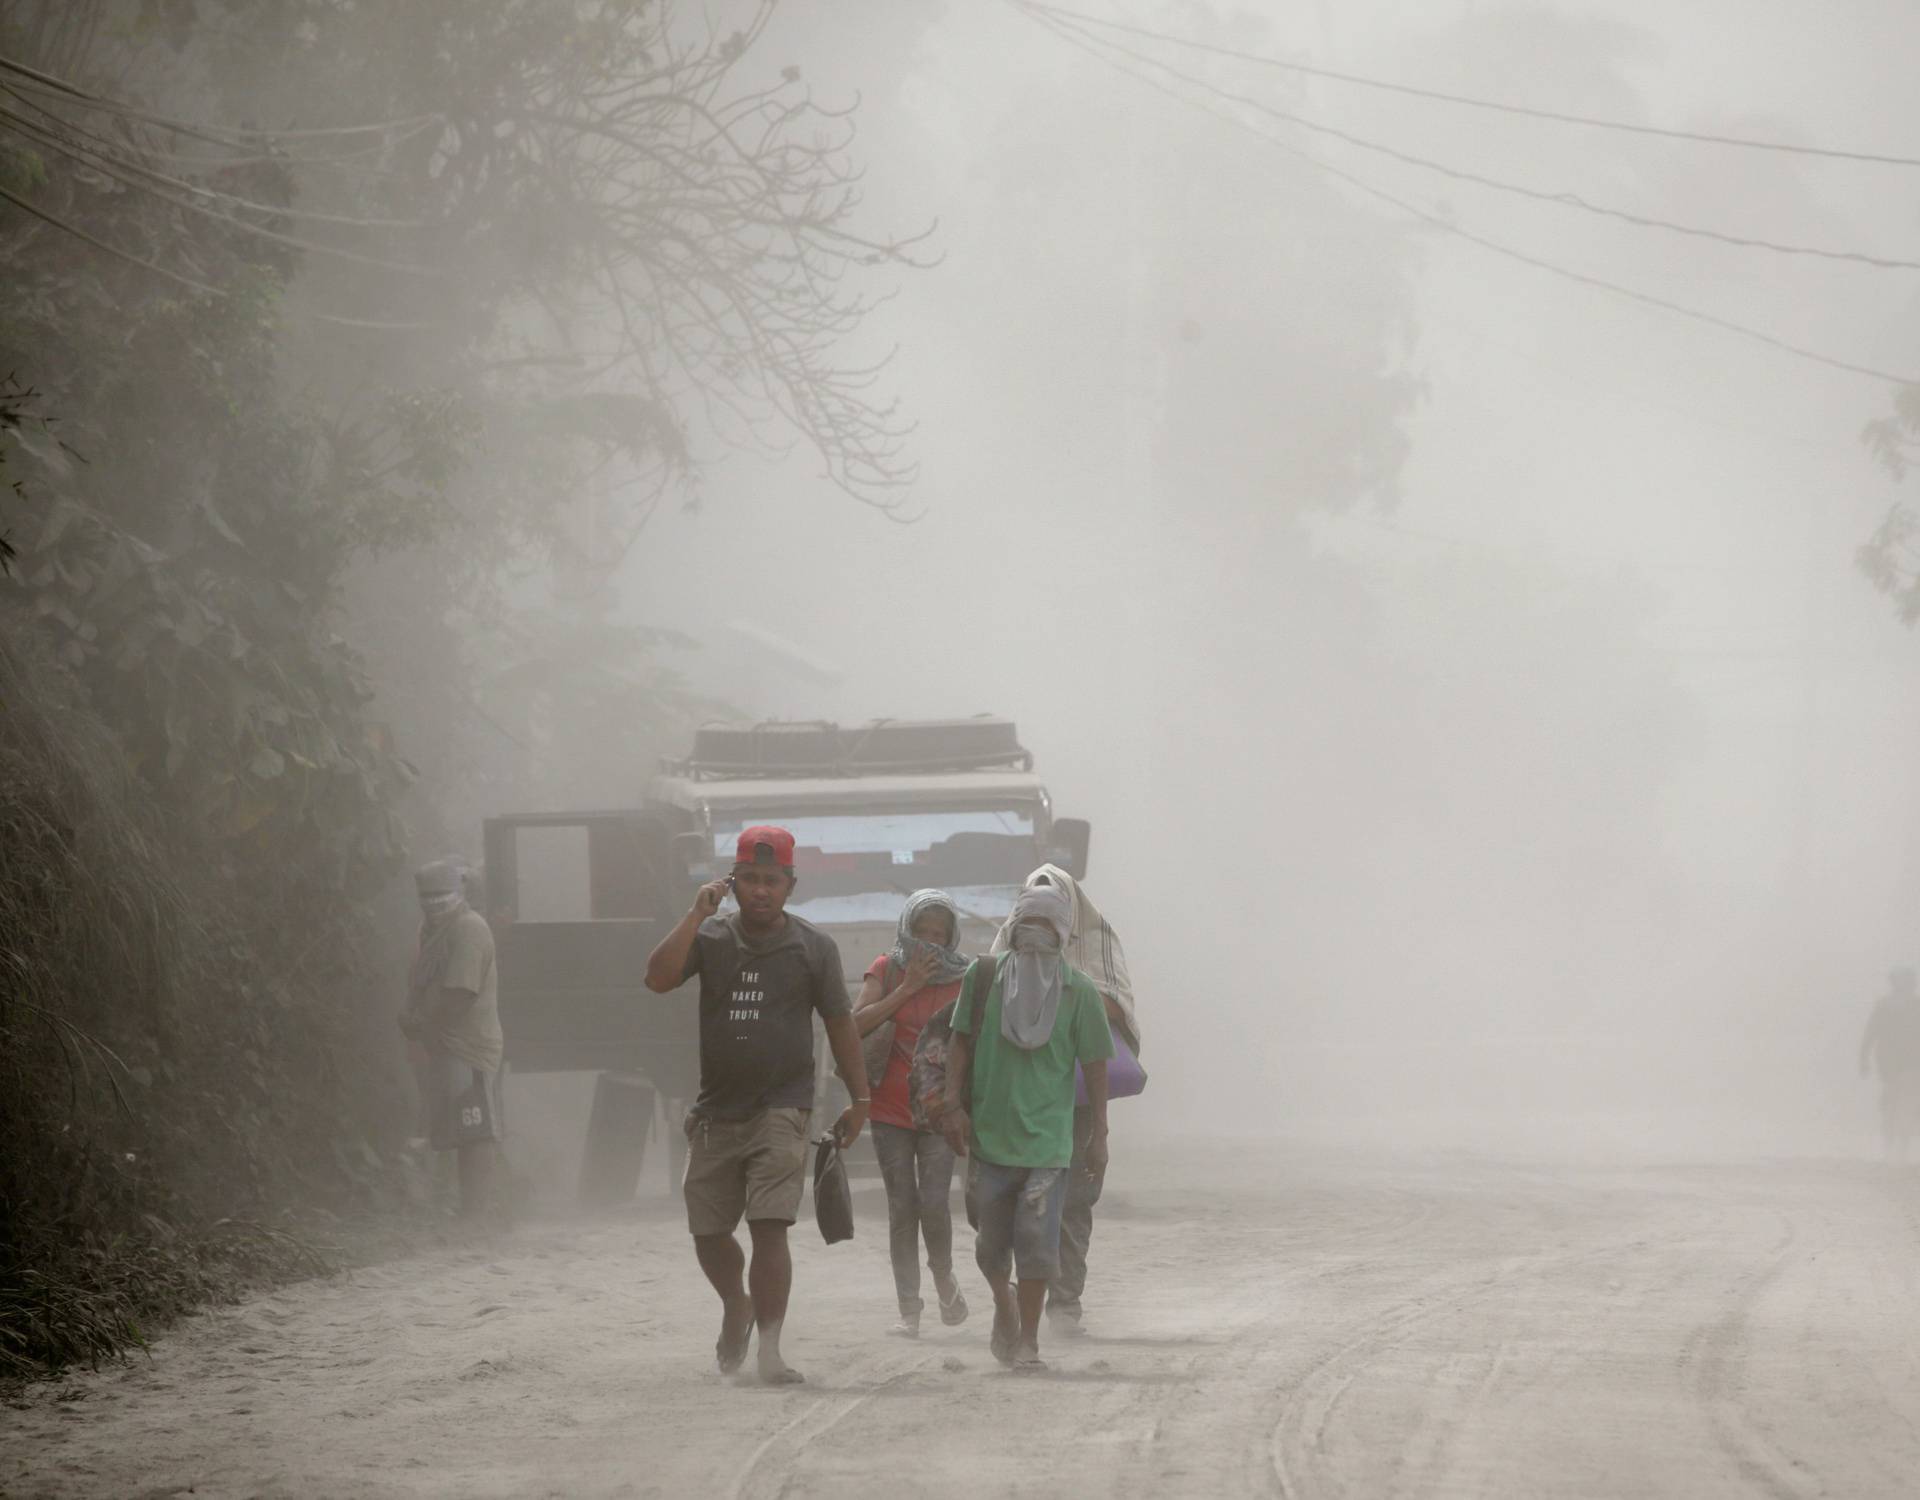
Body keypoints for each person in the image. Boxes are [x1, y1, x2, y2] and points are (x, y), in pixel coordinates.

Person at [644, 824, 870, 1384]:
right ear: (732, 881)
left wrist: (860, 1097)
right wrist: (696, 914)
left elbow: (840, 1025)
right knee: (708, 1230)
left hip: (783, 1109)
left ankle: (770, 1351)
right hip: (716, 1111)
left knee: (770, 1226)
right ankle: (735, 1303)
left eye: (772, 880)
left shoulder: (814, 948)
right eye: (750, 879)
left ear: (790, 885)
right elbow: (657, 978)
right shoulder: (712, 938)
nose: (761, 890)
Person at [943, 885, 1112, 1372]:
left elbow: (1097, 1065)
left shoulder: (1080, 992)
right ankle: (1004, 1302)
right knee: (988, 1246)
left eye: (1046, 932)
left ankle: (1029, 1342)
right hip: (989, 1140)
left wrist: (1099, 1135)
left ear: (1061, 937)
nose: (1035, 942)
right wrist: (952, 1103)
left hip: (1048, 1146)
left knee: (1038, 1247)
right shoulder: (983, 977)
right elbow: (958, 1041)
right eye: (1026, 932)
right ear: (1013, 934)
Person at [992, 864, 1141, 1336]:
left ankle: (1065, 1304)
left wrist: (1064, 986)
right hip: (1017, 1102)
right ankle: (1024, 1299)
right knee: (1017, 1203)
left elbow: (1118, 1007)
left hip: (1072, 1101)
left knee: (1074, 1200)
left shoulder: (1093, 946)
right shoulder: (994, 971)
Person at [853, 890, 971, 1336]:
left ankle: (944, 1278)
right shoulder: (886, 969)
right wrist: (907, 988)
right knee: (902, 1206)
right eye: (920, 932)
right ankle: (909, 1310)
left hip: (939, 1110)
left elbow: (974, 1040)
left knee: (934, 1203)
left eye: (938, 934)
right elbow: (854, 1024)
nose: (928, 943)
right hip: (889, 1110)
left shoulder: (965, 979)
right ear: (906, 929)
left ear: (951, 937)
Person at [399, 859, 504, 1223]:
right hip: (440, 1044)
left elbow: (460, 993)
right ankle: (455, 1208)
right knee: (450, 1126)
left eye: (442, 896)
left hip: (468, 1044)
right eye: (427, 897)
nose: (434, 903)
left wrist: (422, 1022)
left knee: (475, 1127)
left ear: (460, 895)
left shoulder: (469, 929)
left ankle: (477, 1214)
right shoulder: (432, 929)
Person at [1859, 966, 1920, 1163]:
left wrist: (1864, 1058)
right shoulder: (1886, 1005)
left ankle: (1899, 1148)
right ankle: (1892, 1147)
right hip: (1892, 1064)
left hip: (1907, 1063)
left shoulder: (1912, 1005)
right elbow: (1871, 1032)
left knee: (1904, 1104)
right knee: (1896, 1103)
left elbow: (1870, 1033)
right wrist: (1864, 1058)